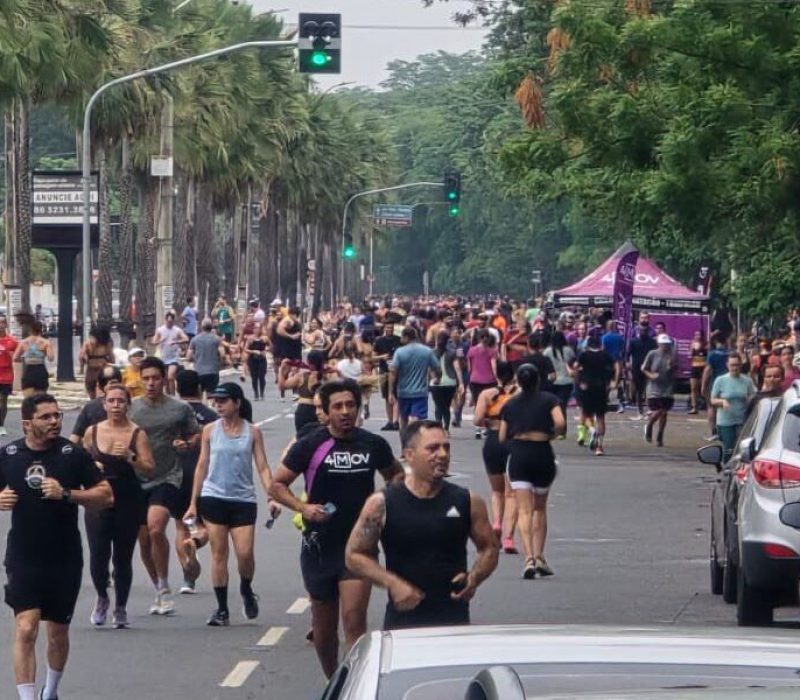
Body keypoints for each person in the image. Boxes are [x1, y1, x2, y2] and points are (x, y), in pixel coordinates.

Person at [269, 379, 404, 678]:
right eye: (338, 406)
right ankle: (333, 682)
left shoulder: (373, 444)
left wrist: (383, 505)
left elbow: (396, 476)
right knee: (324, 630)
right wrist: (303, 508)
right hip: (319, 547)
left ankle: (354, 686)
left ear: (358, 408)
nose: (345, 412)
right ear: (326, 412)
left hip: (360, 548)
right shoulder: (311, 444)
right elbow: (276, 485)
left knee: (354, 620)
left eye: (350, 405)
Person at [0, 394, 113, 700]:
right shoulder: (8, 454)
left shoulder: (71, 454)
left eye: (57, 415)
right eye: (46, 417)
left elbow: (106, 495)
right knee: (25, 627)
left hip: (64, 556)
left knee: (57, 633)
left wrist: (67, 494)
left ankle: (50, 691)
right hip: (23, 555)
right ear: (26, 424)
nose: (54, 421)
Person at [346, 420, 497, 630]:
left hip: (454, 621)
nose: (443, 454)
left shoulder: (467, 501)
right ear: (409, 455)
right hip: (403, 620)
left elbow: (489, 547)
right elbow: (354, 555)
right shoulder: (382, 503)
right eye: (433, 448)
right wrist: (393, 584)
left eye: (446, 447)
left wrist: (474, 578)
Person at [184, 383, 280, 626]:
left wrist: (272, 496)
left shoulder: (252, 432)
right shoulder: (209, 430)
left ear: (237, 403)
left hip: (243, 500)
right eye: (215, 400)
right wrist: (193, 503)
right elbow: (202, 466)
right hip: (213, 497)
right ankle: (222, 609)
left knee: (245, 553)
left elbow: (262, 467)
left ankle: (246, 589)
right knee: (219, 554)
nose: (218, 404)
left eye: (224, 400)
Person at [129, 357, 200, 616]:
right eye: (145, 378)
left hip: (168, 476)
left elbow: (196, 433)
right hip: (136, 479)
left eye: (155, 378)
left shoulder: (179, 409)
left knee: (157, 526)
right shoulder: (131, 409)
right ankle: (159, 585)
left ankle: (165, 587)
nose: (150, 383)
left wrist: (188, 444)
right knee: (144, 538)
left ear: (164, 379)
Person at [83, 384, 155, 629]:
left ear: (128, 404)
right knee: (98, 555)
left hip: (127, 498)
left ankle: (121, 607)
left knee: (123, 556)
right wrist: (93, 467)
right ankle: (102, 596)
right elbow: (81, 462)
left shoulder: (137, 434)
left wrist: (131, 458)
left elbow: (149, 467)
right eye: (111, 401)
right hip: (98, 499)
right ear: (104, 404)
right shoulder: (92, 432)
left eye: (120, 401)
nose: (116, 406)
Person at [499, 364, 565, 579]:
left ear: (518, 381)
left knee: (524, 510)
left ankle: (528, 558)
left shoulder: (510, 404)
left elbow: (502, 437)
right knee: (540, 508)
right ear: (538, 380)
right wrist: (553, 434)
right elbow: (561, 422)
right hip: (542, 453)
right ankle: (539, 556)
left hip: (519, 455)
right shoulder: (549, 399)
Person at [175, 369, 217, 593]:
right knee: (206, 525)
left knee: (181, 525)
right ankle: (197, 541)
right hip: (205, 476)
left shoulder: (173, 413)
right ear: (200, 390)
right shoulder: (212, 417)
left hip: (177, 474)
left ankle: (187, 576)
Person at [473, 360, 518, 553]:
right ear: (514, 374)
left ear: (496, 375)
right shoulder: (519, 394)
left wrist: (489, 422)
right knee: (512, 492)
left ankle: (497, 522)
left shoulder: (486, 394)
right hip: (513, 441)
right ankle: (508, 537)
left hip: (492, 440)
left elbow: (476, 419)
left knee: (497, 491)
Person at [389, 326, 441, 437]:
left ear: (406, 337)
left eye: (402, 337)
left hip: (403, 392)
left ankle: (404, 446)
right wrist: (438, 378)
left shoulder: (399, 352)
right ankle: (412, 441)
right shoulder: (426, 351)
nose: (401, 339)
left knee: (403, 420)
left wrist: (390, 391)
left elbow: (393, 373)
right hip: (420, 392)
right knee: (416, 420)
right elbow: (437, 368)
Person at [710, 354, 756, 461]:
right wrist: (722, 401)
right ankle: (726, 469)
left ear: (740, 365)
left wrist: (749, 399)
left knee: (742, 449)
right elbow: (712, 400)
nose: (734, 368)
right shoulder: (720, 380)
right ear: (727, 365)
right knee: (729, 449)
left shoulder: (747, 381)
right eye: (732, 365)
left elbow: (753, 397)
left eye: (737, 365)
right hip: (726, 421)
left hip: (742, 420)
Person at [575, 335, 615, 455]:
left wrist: (580, 379)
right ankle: (599, 447)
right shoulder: (605, 356)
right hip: (601, 387)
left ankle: (592, 430)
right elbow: (614, 366)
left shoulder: (584, 355)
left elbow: (576, 367)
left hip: (587, 387)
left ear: (588, 345)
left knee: (586, 414)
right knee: (600, 417)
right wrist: (612, 381)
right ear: (600, 345)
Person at [68, 366, 123, 444]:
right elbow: (76, 436)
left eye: (113, 382)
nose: (116, 405)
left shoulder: (131, 406)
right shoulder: (91, 407)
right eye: (105, 382)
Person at [642, 334, 677, 448]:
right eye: (663, 344)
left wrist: (672, 366)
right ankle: (650, 424)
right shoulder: (652, 354)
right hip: (654, 387)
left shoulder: (672, 354)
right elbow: (644, 368)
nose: (665, 346)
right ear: (659, 344)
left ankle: (660, 436)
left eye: (666, 344)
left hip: (667, 386)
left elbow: (677, 368)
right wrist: (651, 375)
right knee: (657, 410)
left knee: (664, 412)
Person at [280, 350, 327, 434]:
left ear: (308, 362)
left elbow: (283, 386)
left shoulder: (302, 376)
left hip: (304, 409)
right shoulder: (326, 376)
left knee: (302, 438)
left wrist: (281, 370)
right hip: (321, 410)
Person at [467, 329, 499, 439]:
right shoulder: (492, 351)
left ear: (478, 338)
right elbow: (494, 366)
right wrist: (498, 379)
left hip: (475, 380)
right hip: (489, 380)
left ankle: (477, 429)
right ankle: (485, 428)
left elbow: (469, 368)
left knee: (477, 404)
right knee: (488, 405)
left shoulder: (471, 350)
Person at [429, 330, 464, 431]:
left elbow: (430, 368)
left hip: (435, 383)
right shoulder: (452, 353)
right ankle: (446, 428)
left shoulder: (432, 352)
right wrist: (461, 383)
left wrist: (433, 378)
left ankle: (438, 425)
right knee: (446, 406)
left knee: (438, 406)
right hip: (450, 382)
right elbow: (457, 368)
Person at [373, 320, 401, 431]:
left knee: (397, 394)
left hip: (397, 371)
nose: (389, 329)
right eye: (387, 327)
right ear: (384, 328)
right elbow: (373, 356)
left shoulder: (398, 340)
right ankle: (390, 421)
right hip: (384, 370)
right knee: (386, 396)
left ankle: (396, 421)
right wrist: (382, 357)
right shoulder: (379, 341)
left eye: (391, 327)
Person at [13, 321, 53, 398]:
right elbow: (51, 358)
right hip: (41, 370)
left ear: (30, 330)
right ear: (41, 329)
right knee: (41, 399)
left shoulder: (23, 342)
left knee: (28, 400)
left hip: (29, 370)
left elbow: (15, 358)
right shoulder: (46, 342)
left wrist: (25, 359)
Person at [152, 312, 188, 395]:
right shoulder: (160, 330)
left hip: (174, 357)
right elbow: (154, 342)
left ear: (173, 321)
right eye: (168, 322)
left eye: (171, 322)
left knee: (170, 377)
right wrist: (160, 340)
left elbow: (186, 338)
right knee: (165, 380)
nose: (169, 323)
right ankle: (168, 395)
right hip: (163, 356)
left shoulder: (177, 330)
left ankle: (173, 396)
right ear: (165, 320)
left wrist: (176, 342)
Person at [702, 335, 730, 440]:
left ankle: (714, 432)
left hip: (715, 383)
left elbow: (707, 371)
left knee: (711, 407)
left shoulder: (712, 354)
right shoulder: (730, 353)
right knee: (725, 407)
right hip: (728, 383)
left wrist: (703, 386)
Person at [187, 318, 224, 396]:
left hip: (199, 372)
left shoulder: (194, 339)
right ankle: (210, 406)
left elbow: (188, 357)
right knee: (211, 395)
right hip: (213, 371)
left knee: (199, 394)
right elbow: (222, 354)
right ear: (211, 327)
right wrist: (219, 363)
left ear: (201, 327)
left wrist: (195, 359)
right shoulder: (217, 339)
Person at [628, 321, 657, 417]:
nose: (643, 332)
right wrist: (627, 365)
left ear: (647, 331)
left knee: (648, 389)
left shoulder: (652, 342)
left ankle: (649, 408)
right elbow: (628, 354)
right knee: (638, 390)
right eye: (641, 330)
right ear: (638, 330)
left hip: (648, 368)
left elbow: (655, 355)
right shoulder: (633, 341)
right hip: (636, 368)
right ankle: (640, 410)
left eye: (645, 330)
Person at [543, 331, 575, 415]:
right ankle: (563, 423)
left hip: (553, 381)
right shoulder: (569, 350)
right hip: (567, 381)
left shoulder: (547, 351)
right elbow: (573, 363)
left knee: (553, 405)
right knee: (563, 405)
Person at [79, 324, 114, 399]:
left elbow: (81, 356)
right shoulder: (89, 344)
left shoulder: (91, 344)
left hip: (97, 369)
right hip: (97, 369)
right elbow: (112, 359)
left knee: (97, 389)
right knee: (96, 389)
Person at [0, 314, 19, 436]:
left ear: (6, 324)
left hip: (6, 375)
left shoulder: (12, 341)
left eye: (2, 322)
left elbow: (20, 356)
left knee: (3, 401)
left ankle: (1, 425)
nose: (0, 325)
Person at [243, 322, 269, 400]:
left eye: (258, 328)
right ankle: (256, 393)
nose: (256, 330)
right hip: (253, 359)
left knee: (261, 376)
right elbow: (245, 348)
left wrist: (266, 350)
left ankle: (262, 393)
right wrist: (253, 351)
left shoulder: (264, 338)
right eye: (255, 328)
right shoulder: (250, 338)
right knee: (254, 377)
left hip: (262, 359)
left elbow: (270, 346)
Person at [689, 330, 707, 415]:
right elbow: (690, 355)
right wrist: (693, 348)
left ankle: (708, 404)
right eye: (696, 335)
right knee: (693, 388)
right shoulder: (692, 344)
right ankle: (694, 407)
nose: (697, 336)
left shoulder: (706, 345)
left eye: (699, 335)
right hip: (695, 367)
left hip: (703, 367)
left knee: (704, 387)